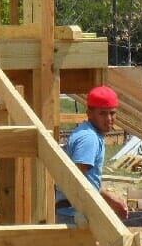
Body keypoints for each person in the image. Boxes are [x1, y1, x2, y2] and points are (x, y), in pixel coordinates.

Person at [55, 85, 129, 223]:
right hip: (73, 214)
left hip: (74, 212)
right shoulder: (89, 138)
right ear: (89, 113)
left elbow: (89, 181)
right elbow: (76, 178)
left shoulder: (89, 133)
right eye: (102, 113)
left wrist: (111, 200)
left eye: (112, 113)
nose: (108, 119)